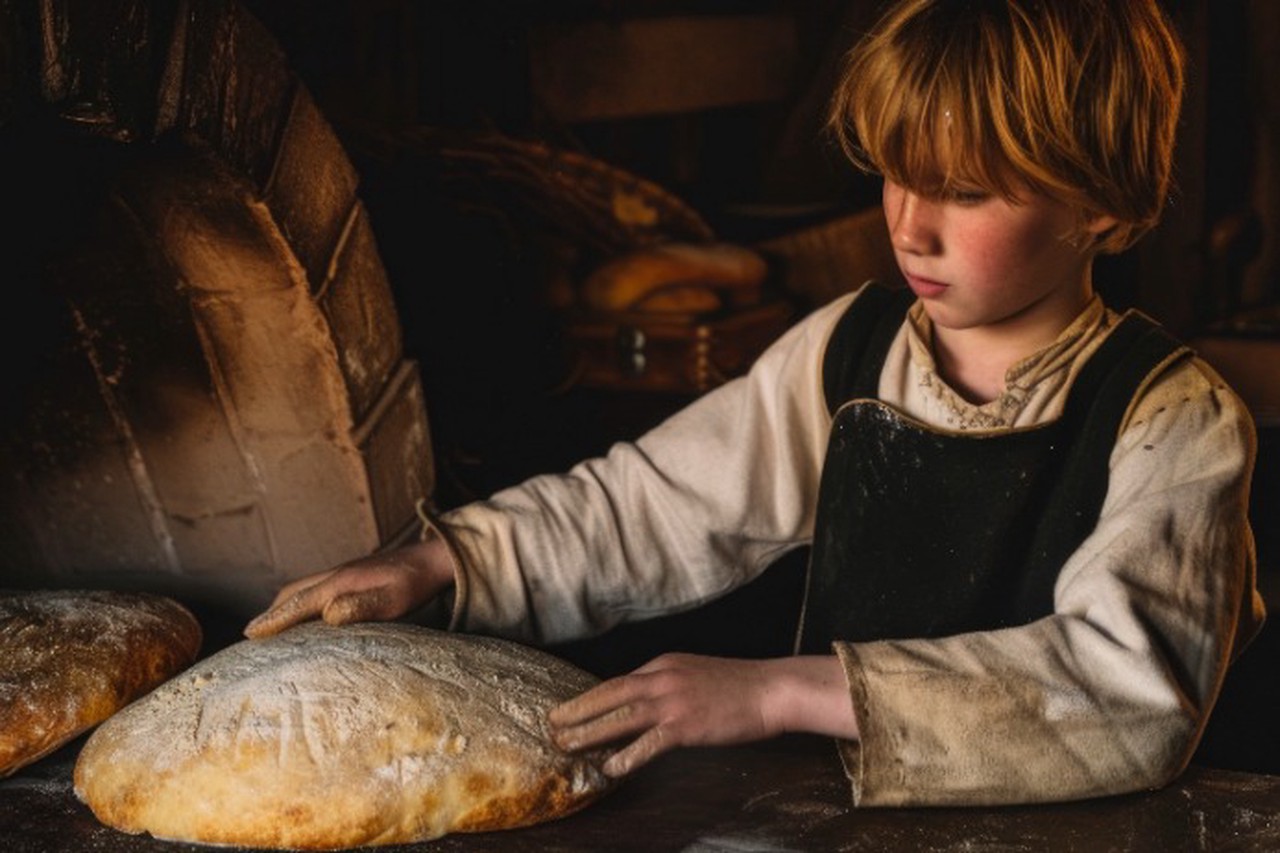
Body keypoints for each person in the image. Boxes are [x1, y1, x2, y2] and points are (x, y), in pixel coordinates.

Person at [244, 0, 1266, 806]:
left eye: (964, 192)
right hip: (857, 821)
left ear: (1098, 203)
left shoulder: (1170, 418)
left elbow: (1124, 692)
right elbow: (646, 506)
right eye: (895, 176)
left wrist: (779, 690)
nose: (910, 227)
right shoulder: (847, 351)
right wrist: (449, 559)